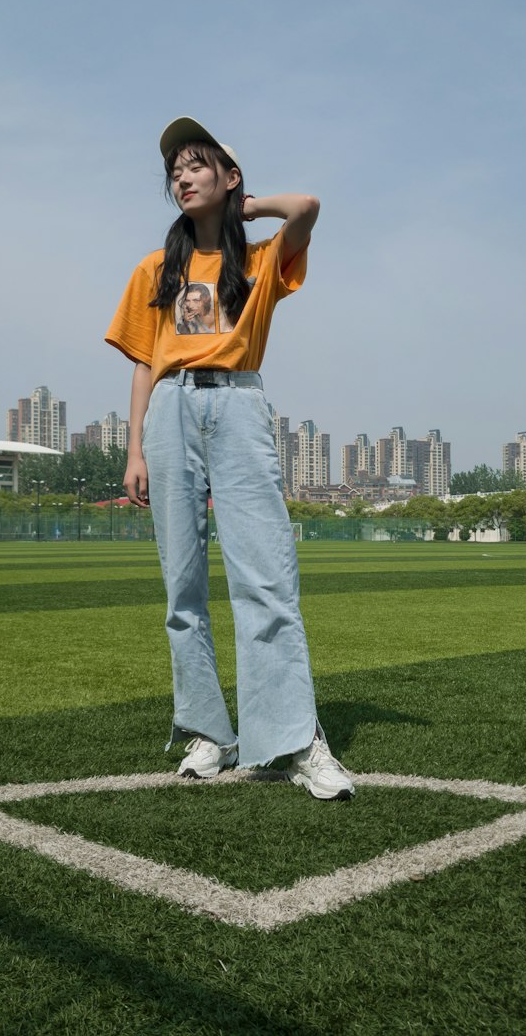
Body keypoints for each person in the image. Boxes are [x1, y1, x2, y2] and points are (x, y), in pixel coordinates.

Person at [106, 115, 354, 799]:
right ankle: (210, 732)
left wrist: (248, 208)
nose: (181, 176)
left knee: (266, 576)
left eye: (196, 164)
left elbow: (308, 206)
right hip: (169, 411)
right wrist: (135, 448)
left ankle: (294, 738)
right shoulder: (155, 269)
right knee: (182, 588)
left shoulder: (261, 258)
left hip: (239, 405)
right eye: (174, 170)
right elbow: (140, 363)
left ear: (229, 176)